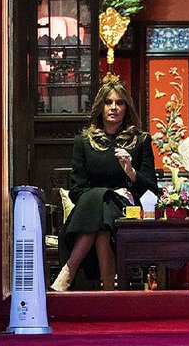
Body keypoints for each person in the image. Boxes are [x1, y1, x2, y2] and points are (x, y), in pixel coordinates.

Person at [51, 79, 158, 291]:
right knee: (101, 211)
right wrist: (107, 192)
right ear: (100, 106)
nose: (113, 108)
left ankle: (68, 272)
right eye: (108, 102)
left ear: (126, 108)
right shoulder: (84, 141)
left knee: (104, 209)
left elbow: (152, 190)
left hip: (126, 210)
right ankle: (109, 290)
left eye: (120, 103)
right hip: (89, 210)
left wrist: (131, 171)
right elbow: (77, 190)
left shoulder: (140, 140)